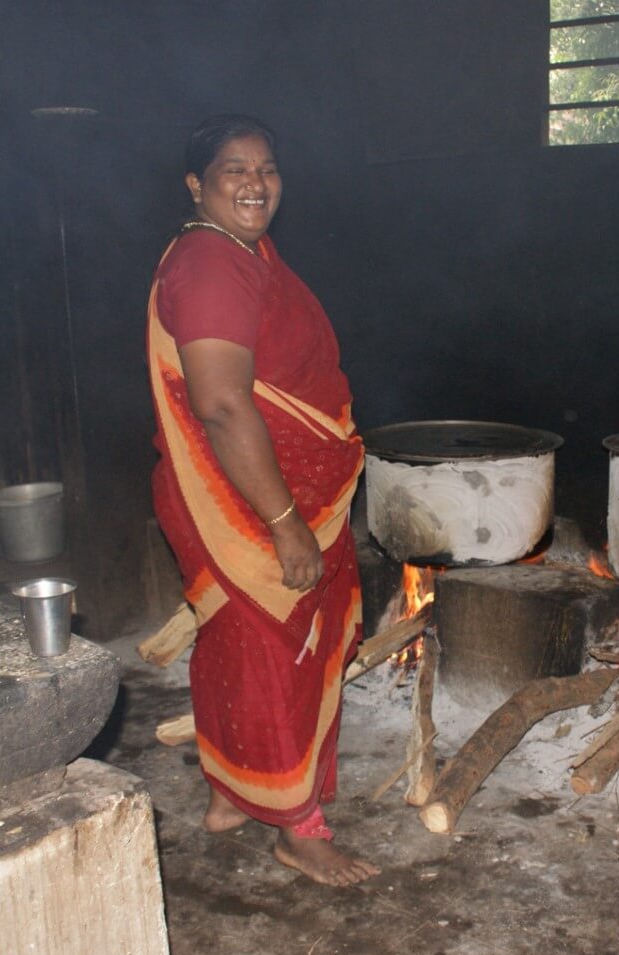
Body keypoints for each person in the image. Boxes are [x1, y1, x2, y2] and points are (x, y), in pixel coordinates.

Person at [146, 113, 378, 886]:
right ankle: (300, 828)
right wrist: (286, 526)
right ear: (196, 185)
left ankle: (231, 795)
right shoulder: (211, 264)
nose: (255, 182)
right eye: (232, 170)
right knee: (289, 654)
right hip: (248, 499)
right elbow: (221, 404)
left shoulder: (242, 253)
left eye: (266, 167)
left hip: (248, 490)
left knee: (238, 645)